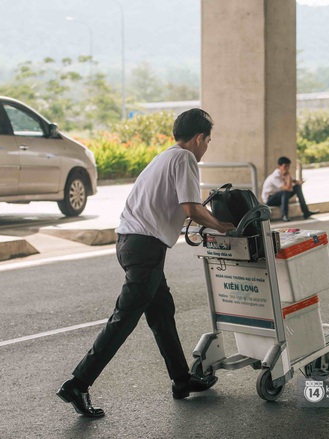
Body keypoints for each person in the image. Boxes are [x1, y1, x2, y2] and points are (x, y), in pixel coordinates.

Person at [56, 108, 236, 418]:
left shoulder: (165, 157)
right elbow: (192, 207)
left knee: (162, 313)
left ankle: (182, 380)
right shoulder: (185, 158)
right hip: (145, 247)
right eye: (207, 140)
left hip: (132, 243)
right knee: (124, 318)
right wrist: (222, 226)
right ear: (198, 138)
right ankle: (78, 383)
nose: (207, 146)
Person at [261, 156, 318, 222]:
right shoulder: (275, 177)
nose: (287, 168)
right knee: (286, 191)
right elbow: (288, 188)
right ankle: (284, 215)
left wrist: (299, 182)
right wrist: (288, 176)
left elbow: (295, 182)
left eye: (288, 166)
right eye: (285, 166)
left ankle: (306, 212)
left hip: (279, 196)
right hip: (270, 200)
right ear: (279, 166)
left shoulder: (284, 173)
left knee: (297, 187)